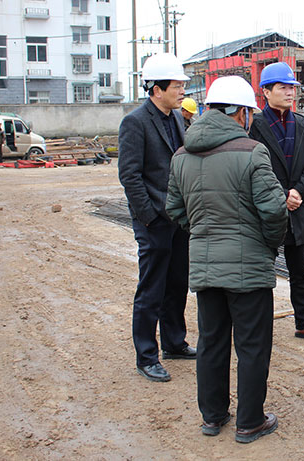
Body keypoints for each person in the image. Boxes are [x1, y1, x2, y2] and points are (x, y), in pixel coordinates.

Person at [166, 76, 287, 444]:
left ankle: (213, 417)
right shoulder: (252, 152)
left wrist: (202, 233)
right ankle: (250, 421)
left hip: (205, 268)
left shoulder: (181, 155)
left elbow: (175, 209)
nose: (250, 119)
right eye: (248, 112)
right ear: (238, 114)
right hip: (249, 270)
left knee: (211, 341)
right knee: (252, 346)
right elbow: (275, 212)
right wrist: (266, 245)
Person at [118, 52, 195, 383]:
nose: (182, 92)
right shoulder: (135, 122)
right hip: (153, 221)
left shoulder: (177, 119)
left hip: (178, 219)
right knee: (152, 288)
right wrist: (149, 217)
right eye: (177, 86)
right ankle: (146, 354)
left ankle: (174, 343)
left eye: (181, 85)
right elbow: (130, 175)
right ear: (157, 89)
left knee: (177, 283)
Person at [249, 62, 304, 343]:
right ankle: (257, 326)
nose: (289, 92)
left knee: (300, 272)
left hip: (298, 208)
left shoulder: (302, 124)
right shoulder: (255, 126)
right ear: (266, 91)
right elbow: (254, 167)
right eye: (282, 87)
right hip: (267, 208)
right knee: (260, 271)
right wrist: (280, 193)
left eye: (292, 87)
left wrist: (298, 191)